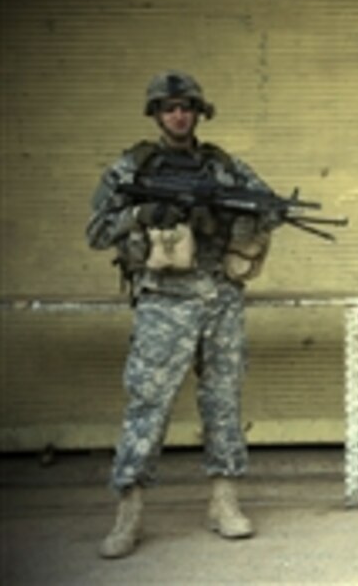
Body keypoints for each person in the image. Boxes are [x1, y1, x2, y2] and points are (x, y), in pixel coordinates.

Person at [87, 71, 282, 558]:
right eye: (169, 107)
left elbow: (272, 209)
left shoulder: (223, 168)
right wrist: (141, 215)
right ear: (156, 114)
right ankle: (128, 513)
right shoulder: (132, 168)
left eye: (187, 106)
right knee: (147, 406)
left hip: (220, 297)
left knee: (223, 401)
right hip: (163, 303)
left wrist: (232, 213)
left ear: (199, 112)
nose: (179, 114)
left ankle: (224, 503)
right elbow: (96, 231)